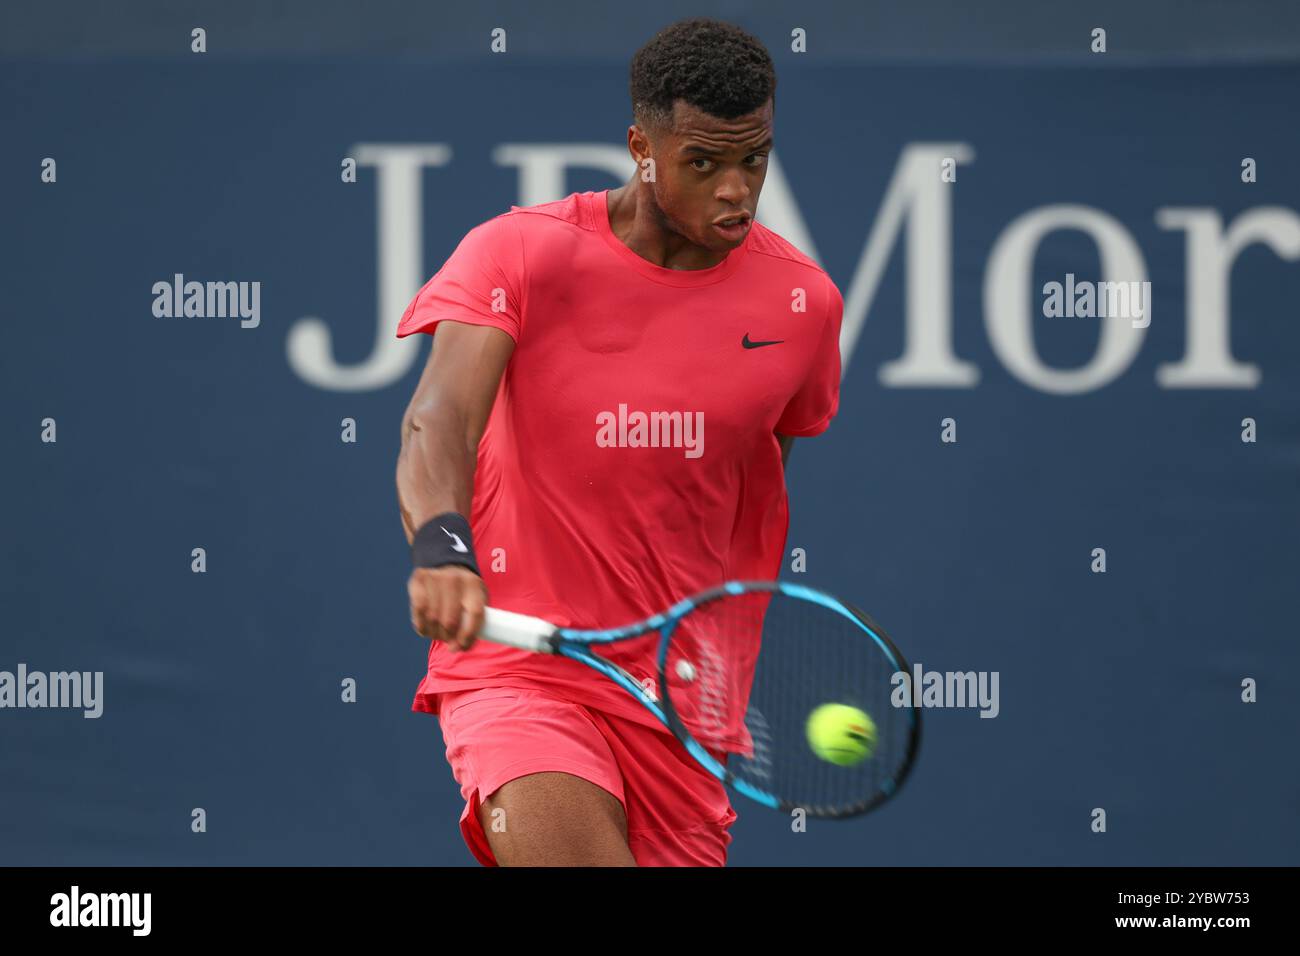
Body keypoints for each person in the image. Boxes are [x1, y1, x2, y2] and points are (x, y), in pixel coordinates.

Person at [394, 17, 843, 866]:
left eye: (755, 159)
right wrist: (443, 546)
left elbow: (752, 478)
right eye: (702, 162)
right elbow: (438, 419)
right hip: (522, 664)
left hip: (685, 703)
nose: (735, 192)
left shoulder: (803, 307)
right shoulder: (521, 254)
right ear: (642, 146)